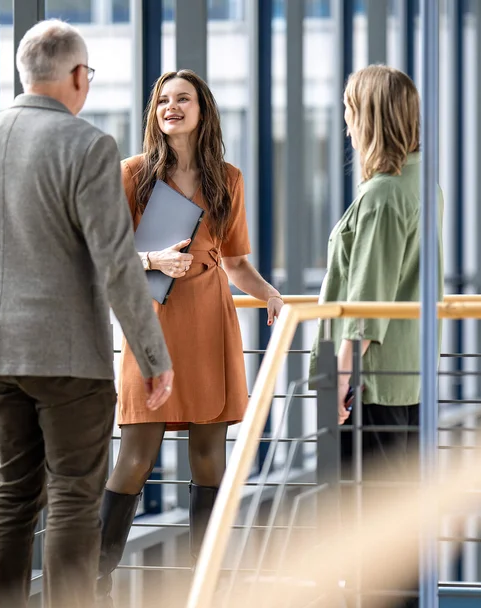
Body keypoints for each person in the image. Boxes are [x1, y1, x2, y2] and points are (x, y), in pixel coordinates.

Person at [0, 19, 174, 608]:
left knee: (12, 491)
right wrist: (151, 356)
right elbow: (117, 262)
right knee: (72, 495)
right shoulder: (88, 145)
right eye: (87, 75)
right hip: (68, 357)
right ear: (74, 75)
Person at [95, 69, 283, 604]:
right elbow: (104, 255)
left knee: (209, 452)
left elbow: (239, 262)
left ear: (203, 110)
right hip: (150, 321)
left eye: (183, 99)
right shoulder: (132, 174)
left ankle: (207, 581)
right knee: (136, 449)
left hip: (209, 317)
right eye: (163, 100)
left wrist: (269, 294)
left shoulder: (229, 178)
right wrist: (153, 258)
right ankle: (95, 579)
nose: (171, 107)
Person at [309, 65, 444, 607]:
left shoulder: (384, 195)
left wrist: (339, 382)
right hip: (405, 379)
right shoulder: (418, 181)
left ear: (369, 117)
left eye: (349, 109)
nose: (345, 122)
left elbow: (368, 300)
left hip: (370, 385)